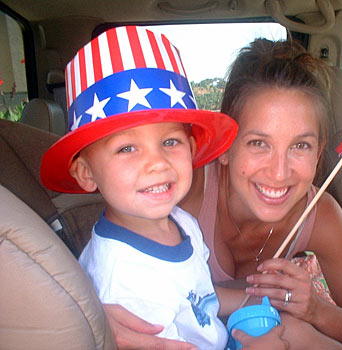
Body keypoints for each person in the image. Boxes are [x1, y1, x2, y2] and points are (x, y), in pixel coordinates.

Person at [104, 36, 342, 350]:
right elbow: (113, 255)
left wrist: (315, 310)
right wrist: (99, 317)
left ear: (319, 153)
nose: (279, 172)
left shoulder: (320, 215)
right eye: (258, 143)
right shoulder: (181, 193)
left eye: (300, 146)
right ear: (225, 147)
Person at [40, 26, 288, 350]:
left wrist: (258, 299)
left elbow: (201, 301)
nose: (157, 163)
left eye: (170, 141)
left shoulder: (181, 222)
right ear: (86, 173)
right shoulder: (124, 280)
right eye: (127, 148)